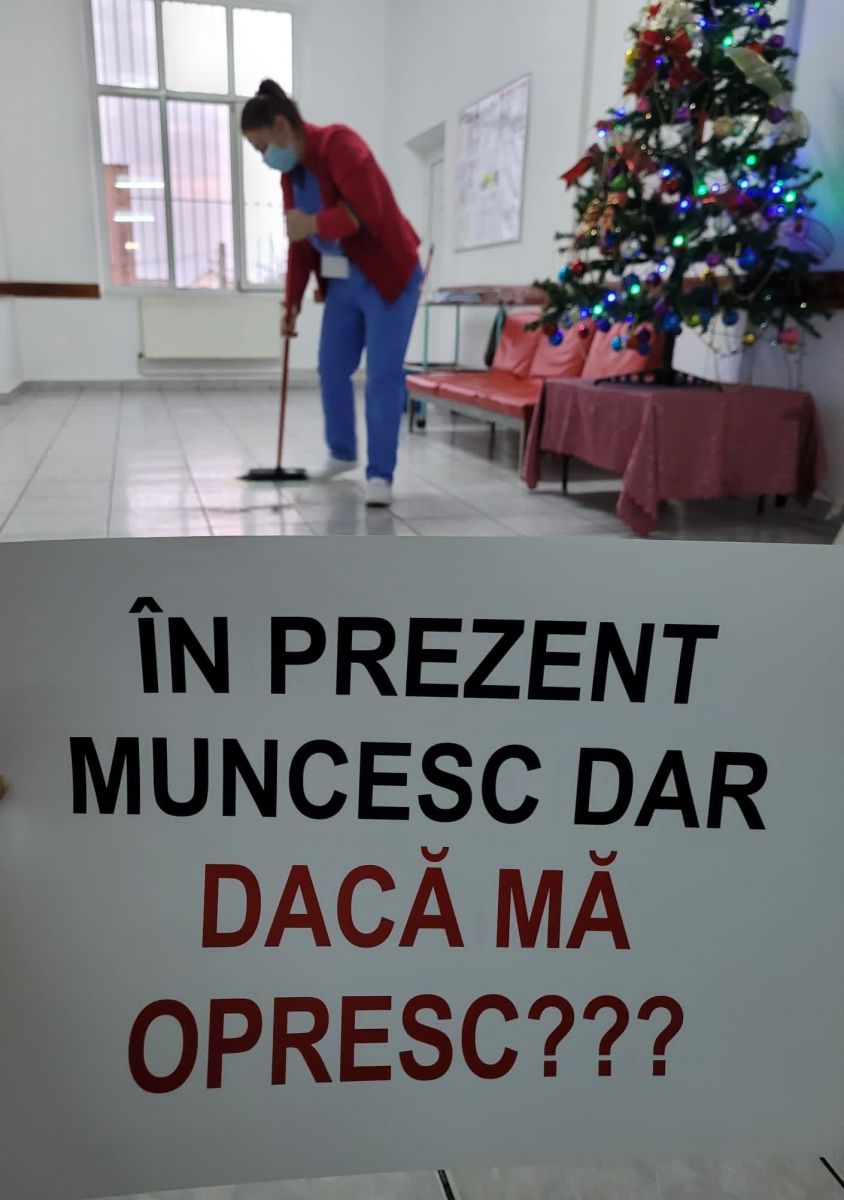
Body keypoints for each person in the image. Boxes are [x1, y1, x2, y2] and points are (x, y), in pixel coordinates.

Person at [241, 79, 422, 508]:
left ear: (282, 126)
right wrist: (291, 303)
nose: (265, 158)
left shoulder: (340, 145)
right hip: (342, 282)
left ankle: (380, 474)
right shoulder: (291, 176)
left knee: (381, 375)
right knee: (331, 367)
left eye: (263, 147)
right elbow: (299, 245)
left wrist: (314, 223)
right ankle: (342, 452)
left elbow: (368, 212)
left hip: (388, 276)